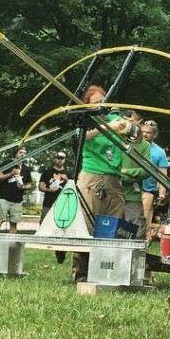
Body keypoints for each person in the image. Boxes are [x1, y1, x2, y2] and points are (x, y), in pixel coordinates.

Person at [73, 84, 129, 282]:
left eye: (103, 101)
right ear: (88, 106)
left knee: (114, 227)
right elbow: (80, 137)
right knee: (88, 226)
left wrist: (130, 128)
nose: (101, 105)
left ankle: (108, 273)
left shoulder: (115, 118)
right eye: (96, 103)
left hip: (114, 179)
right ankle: (81, 275)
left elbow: (135, 135)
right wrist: (106, 128)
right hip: (92, 178)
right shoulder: (85, 122)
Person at [139, 121, 170, 241]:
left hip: (147, 192)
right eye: (143, 132)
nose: (145, 134)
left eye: (148, 132)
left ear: (154, 135)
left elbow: (162, 176)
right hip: (129, 189)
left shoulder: (159, 152)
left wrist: (162, 194)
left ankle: (143, 251)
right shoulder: (133, 146)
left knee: (144, 224)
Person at [0, 146, 33, 233]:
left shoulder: (26, 168)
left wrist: (24, 187)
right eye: (20, 152)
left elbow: (29, 184)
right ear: (15, 153)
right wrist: (10, 174)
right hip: (4, 198)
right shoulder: (7, 163)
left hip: (17, 200)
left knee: (14, 223)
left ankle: (11, 245)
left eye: (24, 153)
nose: (23, 154)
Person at [38, 151, 70, 223]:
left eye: (62, 158)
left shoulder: (69, 173)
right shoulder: (47, 172)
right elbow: (40, 187)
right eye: (58, 158)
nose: (60, 160)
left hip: (63, 204)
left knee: (60, 224)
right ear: (54, 159)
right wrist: (49, 190)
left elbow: (73, 188)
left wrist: (67, 179)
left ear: (64, 160)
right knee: (44, 223)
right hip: (48, 203)